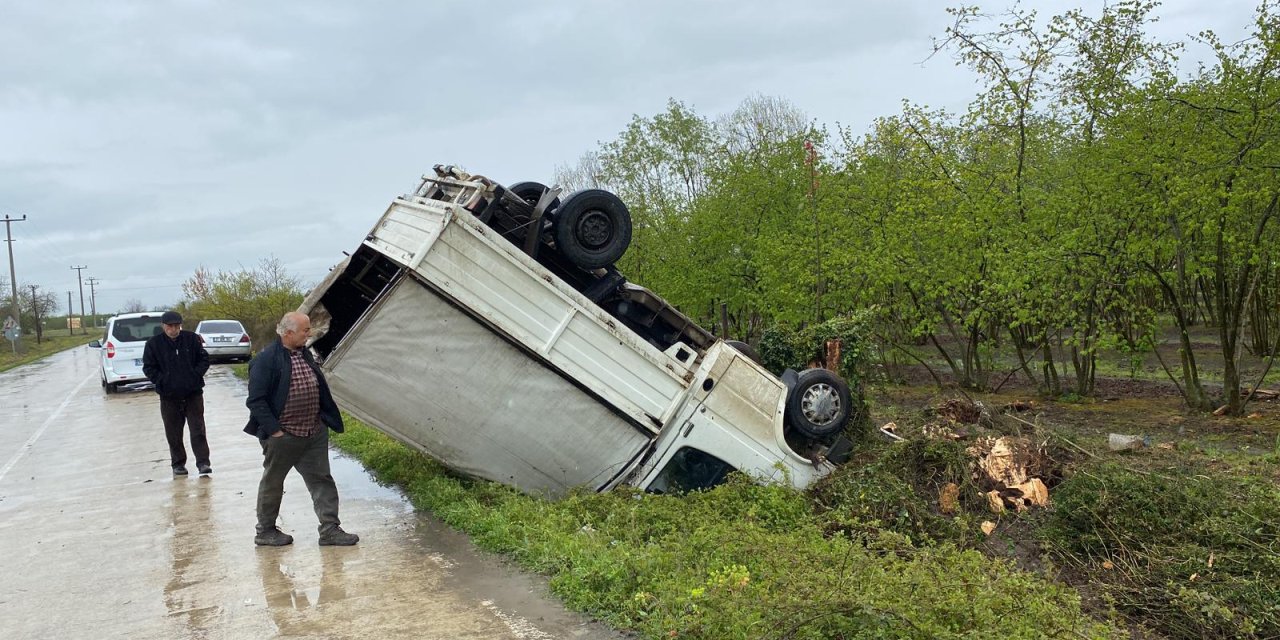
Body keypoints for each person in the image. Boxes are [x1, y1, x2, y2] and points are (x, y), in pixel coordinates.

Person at [244, 311, 358, 547]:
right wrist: (275, 431)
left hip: (313, 432)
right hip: (283, 436)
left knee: (322, 480)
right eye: (305, 330)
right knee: (273, 482)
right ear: (288, 333)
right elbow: (256, 401)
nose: (309, 334)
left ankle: (330, 530)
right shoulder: (266, 360)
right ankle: (265, 531)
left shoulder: (304, 353)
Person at [143, 310, 211, 476]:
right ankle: (178, 464)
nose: (173, 329)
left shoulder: (192, 339)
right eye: (170, 326)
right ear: (163, 326)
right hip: (169, 397)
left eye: (176, 326)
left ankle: (203, 463)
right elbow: (149, 368)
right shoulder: (154, 344)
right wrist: (163, 380)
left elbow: (204, 359)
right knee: (173, 432)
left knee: (198, 430)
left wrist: (195, 375)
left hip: (193, 394)